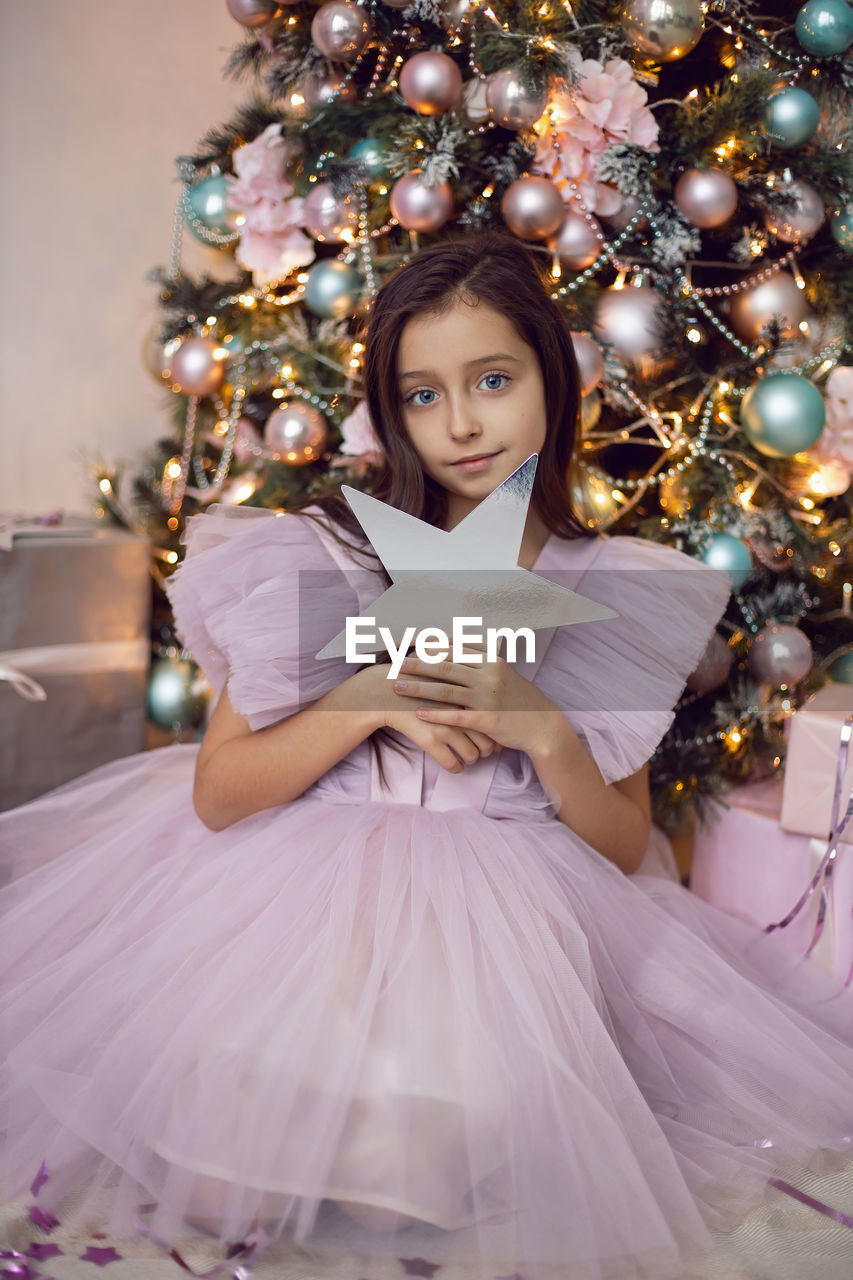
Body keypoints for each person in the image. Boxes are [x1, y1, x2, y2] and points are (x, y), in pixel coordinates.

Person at [1, 231, 851, 1280]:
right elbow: (221, 795)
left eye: (492, 380)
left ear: (550, 373)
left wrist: (541, 724)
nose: (459, 423)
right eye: (418, 394)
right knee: (239, 1127)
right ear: (386, 407)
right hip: (295, 900)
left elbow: (625, 839)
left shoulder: (611, 588)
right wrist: (366, 697)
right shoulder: (322, 556)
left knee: (459, 1134)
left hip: (510, 919)